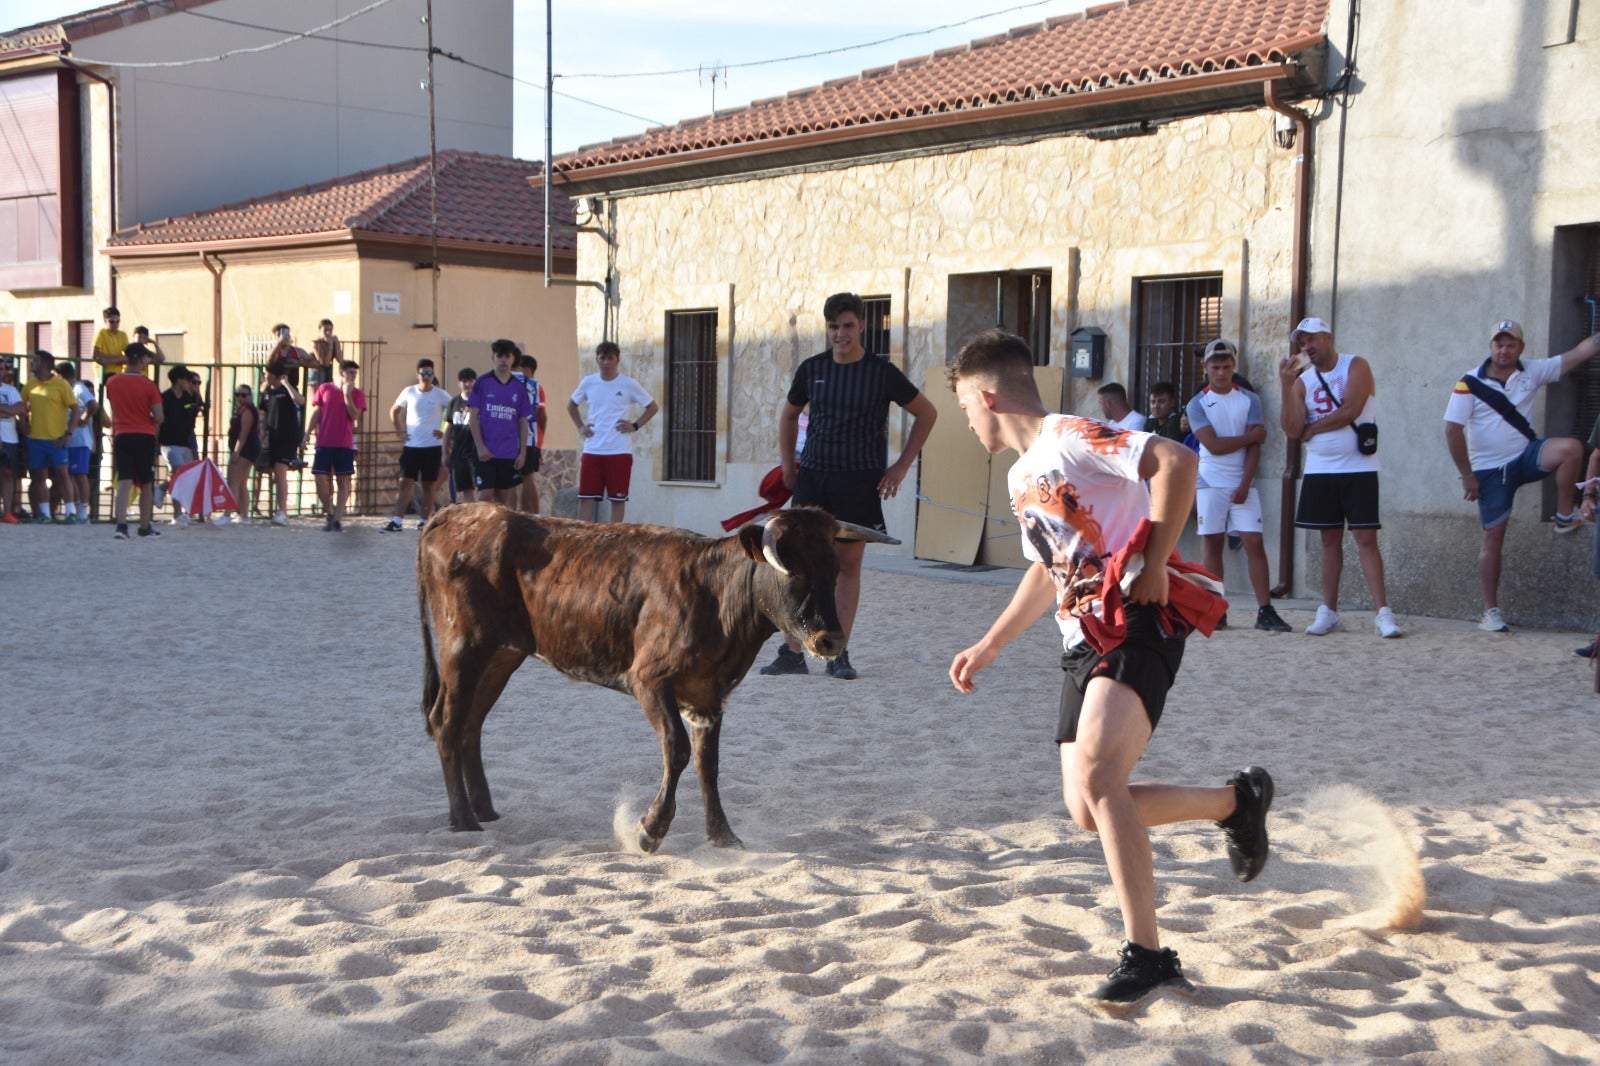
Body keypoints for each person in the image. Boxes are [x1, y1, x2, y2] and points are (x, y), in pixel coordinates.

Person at [945, 328, 1272, 1008]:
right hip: (1080, 638)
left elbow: (1176, 463)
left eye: (964, 409)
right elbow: (1048, 569)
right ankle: (1236, 804)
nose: (966, 422)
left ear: (985, 395)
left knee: (1099, 777)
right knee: (1090, 809)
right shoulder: (1017, 476)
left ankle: (1149, 956)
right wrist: (990, 644)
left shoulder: (1069, 436)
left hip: (1136, 617)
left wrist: (1154, 561)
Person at [761, 291, 938, 681]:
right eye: (833, 327)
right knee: (797, 565)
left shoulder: (881, 373)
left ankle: (836, 652)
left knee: (848, 566)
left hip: (859, 481)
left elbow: (926, 413)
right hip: (814, 479)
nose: (840, 333)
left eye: (847, 325)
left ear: (861, 326)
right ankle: (792, 651)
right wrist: (789, 465)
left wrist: (900, 468)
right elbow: (789, 416)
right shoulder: (812, 369)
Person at [1444, 318, 1600, 633]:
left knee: (1571, 448)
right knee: (1492, 539)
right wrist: (1467, 476)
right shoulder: (1469, 382)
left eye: (1510, 344)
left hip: (1525, 456)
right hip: (1489, 471)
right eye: (1498, 344)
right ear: (1490, 347)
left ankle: (1563, 515)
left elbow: (1580, 351)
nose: (1504, 350)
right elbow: (1452, 430)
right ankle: (1490, 612)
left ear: (1520, 347)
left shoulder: (1532, 371)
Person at [1279, 316, 1402, 638]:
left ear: (1328, 338)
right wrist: (1285, 384)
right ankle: (1329, 611)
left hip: (1359, 466)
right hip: (1320, 470)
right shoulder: (1303, 381)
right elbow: (1292, 429)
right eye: (1302, 343)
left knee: (1365, 539)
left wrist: (1313, 429)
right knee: (1328, 540)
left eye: (1312, 340)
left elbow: (1350, 409)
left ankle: (1383, 612)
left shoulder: (1355, 365)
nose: (1307, 347)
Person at [1186, 340, 1291, 633]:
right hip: (1210, 480)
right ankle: (1216, 609)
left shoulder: (1250, 399)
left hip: (1241, 479)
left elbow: (1255, 448)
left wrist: (1246, 482)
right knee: (1212, 543)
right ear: (1205, 368)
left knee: (1254, 541)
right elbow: (1214, 445)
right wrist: (1251, 438)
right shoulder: (1196, 404)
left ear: (1234, 366)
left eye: (1226, 366)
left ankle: (1265, 609)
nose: (1221, 372)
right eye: (1215, 367)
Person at [567, 341, 657, 524]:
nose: (606, 362)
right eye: (603, 358)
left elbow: (652, 406)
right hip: (593, 449)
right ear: (597, 360)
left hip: (619, 450)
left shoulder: (629, 384)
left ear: (618, 360)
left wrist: (635, 425)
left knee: (618, 499)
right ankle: (583, 539)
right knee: (586, 497)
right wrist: (580, 426)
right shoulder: (588, 382)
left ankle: (615, 539)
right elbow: (571, 406)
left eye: (610, 358)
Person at [382, 358, 452, 532]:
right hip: (412, 446)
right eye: (423, 372)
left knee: (428, 485)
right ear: (418, 374)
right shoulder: (409, 392)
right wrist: (399, 431)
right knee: (405, 482)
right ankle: (397, 521)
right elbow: (394, 411)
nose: (427, 376)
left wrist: (444, 432)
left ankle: (423, 521)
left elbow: (454, 413)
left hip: (433, 446)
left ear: (433, 374)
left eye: (430, 373)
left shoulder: (441, 395)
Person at [104, 343, 165, 539]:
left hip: (122, 433)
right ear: (140, 360)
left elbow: (114, 407)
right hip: (144, 435)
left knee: (124, 481)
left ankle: (121, 525)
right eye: (146, 358)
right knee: (146, 482)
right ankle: (144, 526)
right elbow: (159, 416)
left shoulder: (112, 382)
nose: (148, 361)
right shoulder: (149, 385)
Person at [469, 340, 533, 506]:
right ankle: (480, 531)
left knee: (501, 498)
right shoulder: (482, 383)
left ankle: (497, 532)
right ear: (493, 357)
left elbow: (523, 422)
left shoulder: (519, 388)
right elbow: (473, 417)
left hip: (508, 452)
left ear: (513, 359)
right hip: (486, 451)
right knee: (485, 495)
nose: (503, 360)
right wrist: (479, 446)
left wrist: (523, 452)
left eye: (507, 356)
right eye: (500, 356)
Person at [306, 360, 367, 532]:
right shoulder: (325, 388)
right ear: (341, 373)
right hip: (324, 440)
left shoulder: (357, 394)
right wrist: (307, 433)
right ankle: (330, 511)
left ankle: (338, 519)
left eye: (355, 373)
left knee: (343, 480)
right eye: (350, 373)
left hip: (344, 443)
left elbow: (355, 415)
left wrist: (347, 396)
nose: (353, 376)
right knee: (320, 478)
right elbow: (317, 412)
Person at [22, 351, 79, 525]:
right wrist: (23, 422)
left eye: (36, 360)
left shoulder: (61, 385)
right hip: (35, 438)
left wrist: (68, 434)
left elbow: (76, 410)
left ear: (46, 364)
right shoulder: (29, 385)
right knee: (39, 476)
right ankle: (45, 514)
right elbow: (22, 406)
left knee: (63, 474)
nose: (32, 363)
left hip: (56, 438)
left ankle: (71, 512)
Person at [258, 362, 304, 526]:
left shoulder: (287, 390)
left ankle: (282, 512)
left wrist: (286, 383)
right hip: (273, 437)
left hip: (287, 437)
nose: (265, 376)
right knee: (273, 473)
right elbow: (263, 413)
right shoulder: (267, 393)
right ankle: (277, 511)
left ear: (275, 375)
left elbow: (300, 401)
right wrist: (262, 432)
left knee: (280, 472)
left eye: (267, 373)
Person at [159, 366, 205, 526]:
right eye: (188, 380)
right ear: (179, 380)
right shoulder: (165, 397)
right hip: (169, 442)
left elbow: (200, 406)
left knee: (183, 477)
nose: (190, 383)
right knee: (178, 471)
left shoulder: (188, 398)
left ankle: (165, 492)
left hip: (185, 442)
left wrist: (196, 393)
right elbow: (159, 419)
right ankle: (176, 512)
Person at [57, 361, 95, 524]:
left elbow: (93, 405)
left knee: (80, 475)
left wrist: (85, 419)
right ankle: (74, 509)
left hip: (79, 440)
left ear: (60, 375)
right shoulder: (68, 389)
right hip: (69, 439)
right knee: (69, 475)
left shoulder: (79, 389)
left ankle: (83, 513)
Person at [220, 383, 260, 525]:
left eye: (244, 395)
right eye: (238, 394)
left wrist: (237, 451)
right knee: (241, 482)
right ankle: (244, 515)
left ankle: (227, 514)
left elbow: (244, 433)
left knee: (233, 480)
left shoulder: (248, 410)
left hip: (246, 448)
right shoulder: (241, 409)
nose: (240, 397)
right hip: (247, 447)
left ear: (250, 396)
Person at [514, 352, 548, 515]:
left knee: (522, 479)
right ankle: (533, 515)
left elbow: (541, 415)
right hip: (533, 438)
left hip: (527, 437)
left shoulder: (534, 386)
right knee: (527, 478)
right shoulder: (536, 386)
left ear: (526, 368)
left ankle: (524, 514)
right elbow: (542, 416)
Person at [443, 367, 480, 504]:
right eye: (464, 381)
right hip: (459, 453)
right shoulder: (453, 403)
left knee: (482, 488)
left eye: (470, 381)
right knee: (466, 489)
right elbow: (447, 429)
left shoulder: (481, 402)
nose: (467, 384)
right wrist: (444, 452)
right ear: (459, 383)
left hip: (477, 453)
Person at [0, 359, 22, 524]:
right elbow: (13, 410)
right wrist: (9, 411)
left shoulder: (11, 390)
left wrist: (4, 410)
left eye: (2, 369)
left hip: (10, 439)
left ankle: (7, 512)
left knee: (8, 474)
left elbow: (21, 408)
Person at [90, 307, 129, 379]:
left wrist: (108, 361)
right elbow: (94, 354)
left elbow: (128, 357)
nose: (115, 324)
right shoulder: (101, 333)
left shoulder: (123, 335)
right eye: (112, 321)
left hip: (118, 374)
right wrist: (119, 359)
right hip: (103, 373)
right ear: (105, 321)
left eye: (118, 321)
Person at [310, 319, 342, 387]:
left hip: (328, 373)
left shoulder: (333, 341)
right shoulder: (316, 343)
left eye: (330, 330)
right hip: (316, 374)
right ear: (320, 330)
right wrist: (330, 347)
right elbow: (324, 363)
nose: (328, 332)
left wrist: (337, 345)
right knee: (316, 397)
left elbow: (340, 360)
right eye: (325, 330)